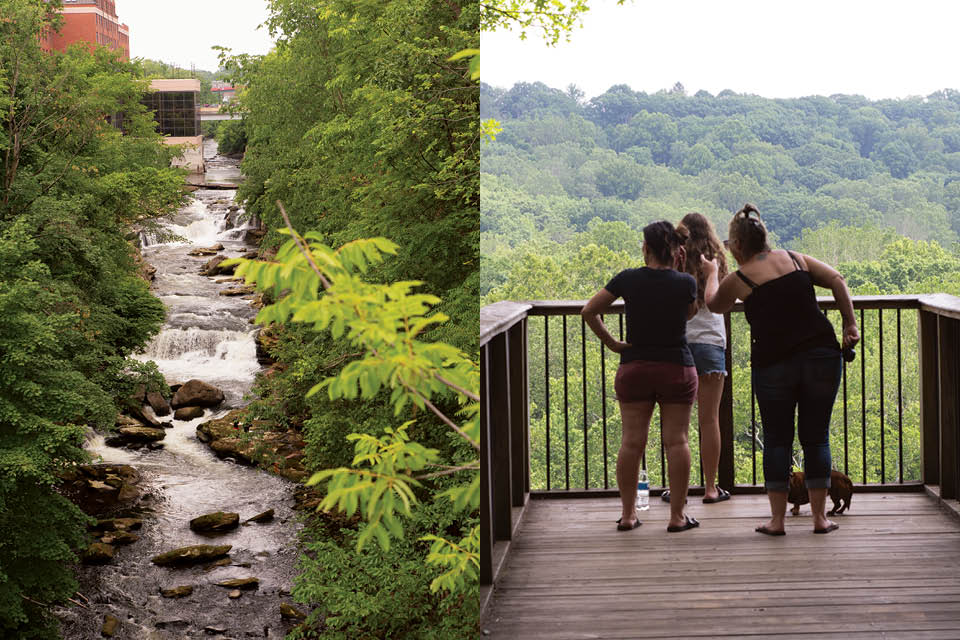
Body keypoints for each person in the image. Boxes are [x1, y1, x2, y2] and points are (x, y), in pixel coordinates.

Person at [700, 204, 859, 535]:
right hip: (821, 356)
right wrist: (849, 324)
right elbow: (837, 280)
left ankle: (777, 521)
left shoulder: (741, 278)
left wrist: (713, 272)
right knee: (816, 438)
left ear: (739, 246)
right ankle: (819, 519)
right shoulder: (795, 259)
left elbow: (714, 303)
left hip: (774, 364)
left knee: (776, 440)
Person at [581, 220, 700, 533]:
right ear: (676, 251)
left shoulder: (628, 280)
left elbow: (589, 311)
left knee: (631, 442)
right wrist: (683, 269)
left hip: (635, 368)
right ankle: (676, 517)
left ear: (645, 248)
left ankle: (628, 514)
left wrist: (613, 343)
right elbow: (688, 314)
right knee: (677, 441)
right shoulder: (685, 283)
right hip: (676, 366)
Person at [661, 212, 730, 505]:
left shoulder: (677, 259)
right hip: (712, 341)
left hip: (680, 342)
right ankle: (711, 487)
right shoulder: (718, 260)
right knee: (709, 420)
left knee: (678, 424)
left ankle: (679, 489)